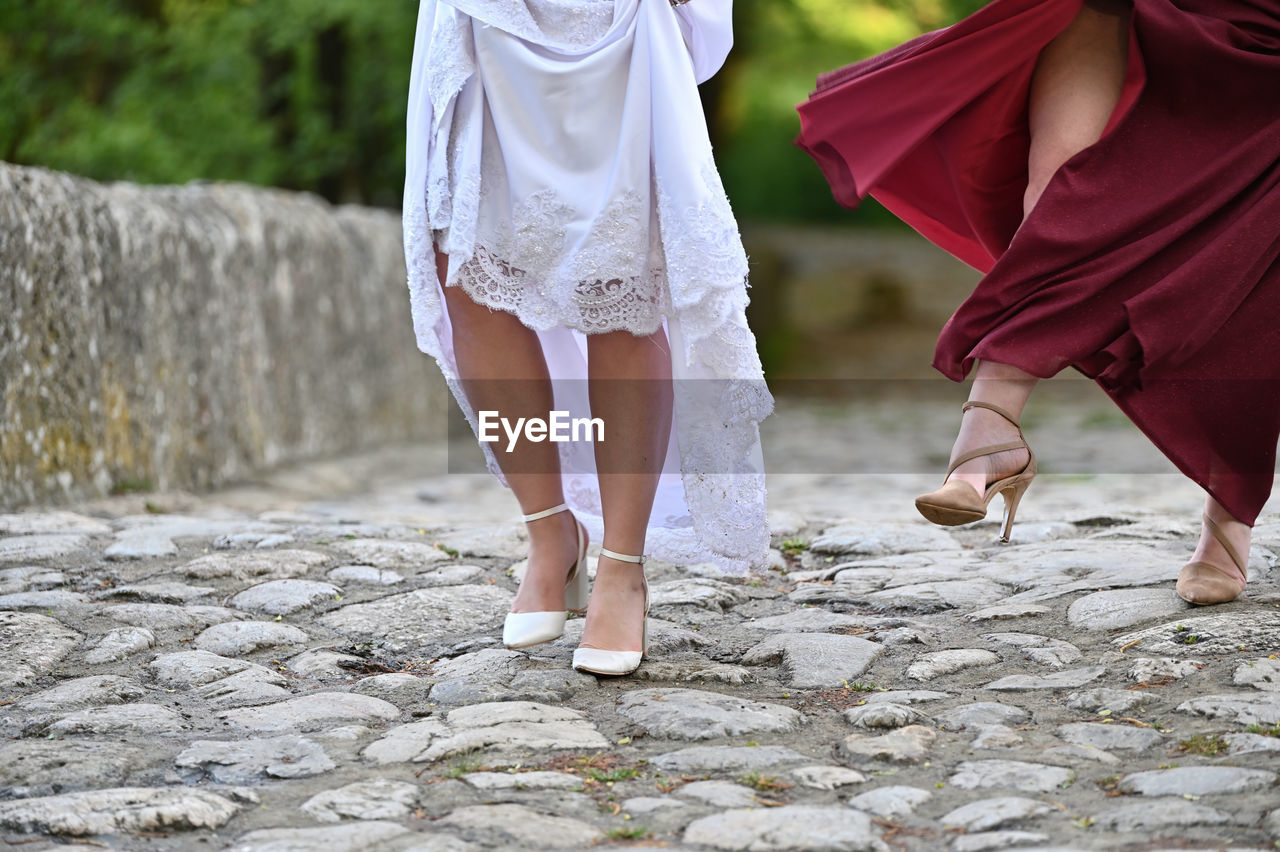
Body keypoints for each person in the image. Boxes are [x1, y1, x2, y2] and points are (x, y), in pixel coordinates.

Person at [797, 0, 1280, 605]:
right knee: (1061, 203)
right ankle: (991, 422)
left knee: (1252, 274)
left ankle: (1227, 515)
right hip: (1140, 30)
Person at [403, 0, 771, 675]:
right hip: (485, 23)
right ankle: (550, 532)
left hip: (618, 25)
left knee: (623, 276)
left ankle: (623, 567)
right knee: (470, 272)